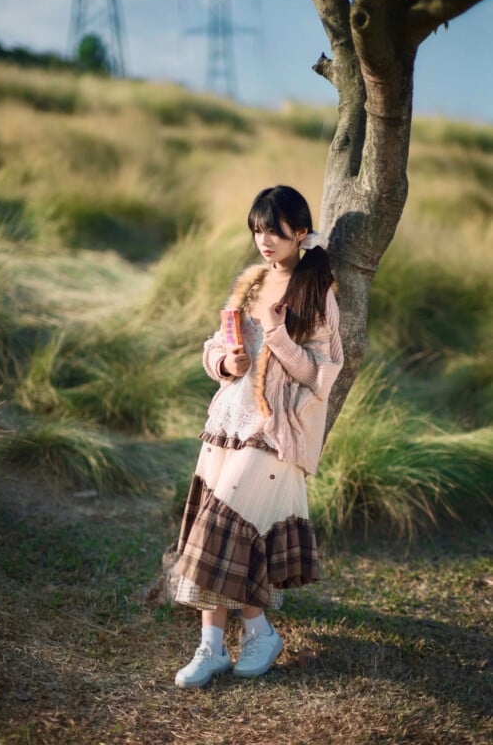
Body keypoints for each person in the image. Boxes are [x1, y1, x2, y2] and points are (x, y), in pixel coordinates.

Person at [174, 185, 344, 689]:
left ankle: (257, 634)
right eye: (257, 229)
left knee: (219, 535)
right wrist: (226, 361)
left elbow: (322, 375)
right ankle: (219, 646)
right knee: (223, 540)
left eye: (274, 230)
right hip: (228, 423)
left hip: (275, 431)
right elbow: (214, 346)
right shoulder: (250, 282)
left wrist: (277, 335)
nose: (264, 240)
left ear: (301, 234)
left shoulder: (317, 293)